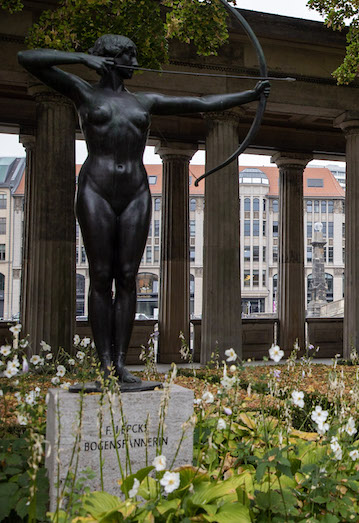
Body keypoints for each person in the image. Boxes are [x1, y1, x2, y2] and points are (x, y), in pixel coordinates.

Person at [18, 35, 270, 383]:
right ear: (109, 58)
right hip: (96, 189)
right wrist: (80, 58)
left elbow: (201, 101)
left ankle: (120, 364)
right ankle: (104, 364)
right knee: (101, 275)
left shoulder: (144, 101)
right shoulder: (84, 92)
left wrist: (251, 95)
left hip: (136, 192)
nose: (136, 62)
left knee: (127, 277)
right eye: (129, 55)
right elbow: (28, 57)